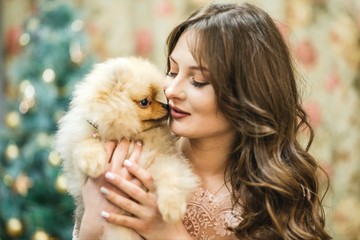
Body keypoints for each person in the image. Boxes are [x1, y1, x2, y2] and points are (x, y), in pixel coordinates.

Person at [75, 2, 331, 240]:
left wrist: (171, 234)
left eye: (198, 80)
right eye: (172, 71)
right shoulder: (133, 156)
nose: (171, 90)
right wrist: (89, 228)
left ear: (247, 94)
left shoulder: (282, 191)